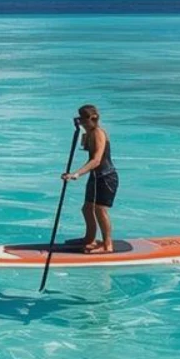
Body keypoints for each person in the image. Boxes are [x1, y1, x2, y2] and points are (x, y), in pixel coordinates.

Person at [61, 104, 118, 253]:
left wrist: (76, 174)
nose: (80, 121)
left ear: (91, 119)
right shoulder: (90, 133)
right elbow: (86, 148)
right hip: (96, 176)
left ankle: (107, 245)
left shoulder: (99, 133)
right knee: (87, 209)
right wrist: (79, 130)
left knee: (100, 210)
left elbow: (96, 160)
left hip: (106, 177)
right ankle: (90, 238)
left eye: (82, 119)